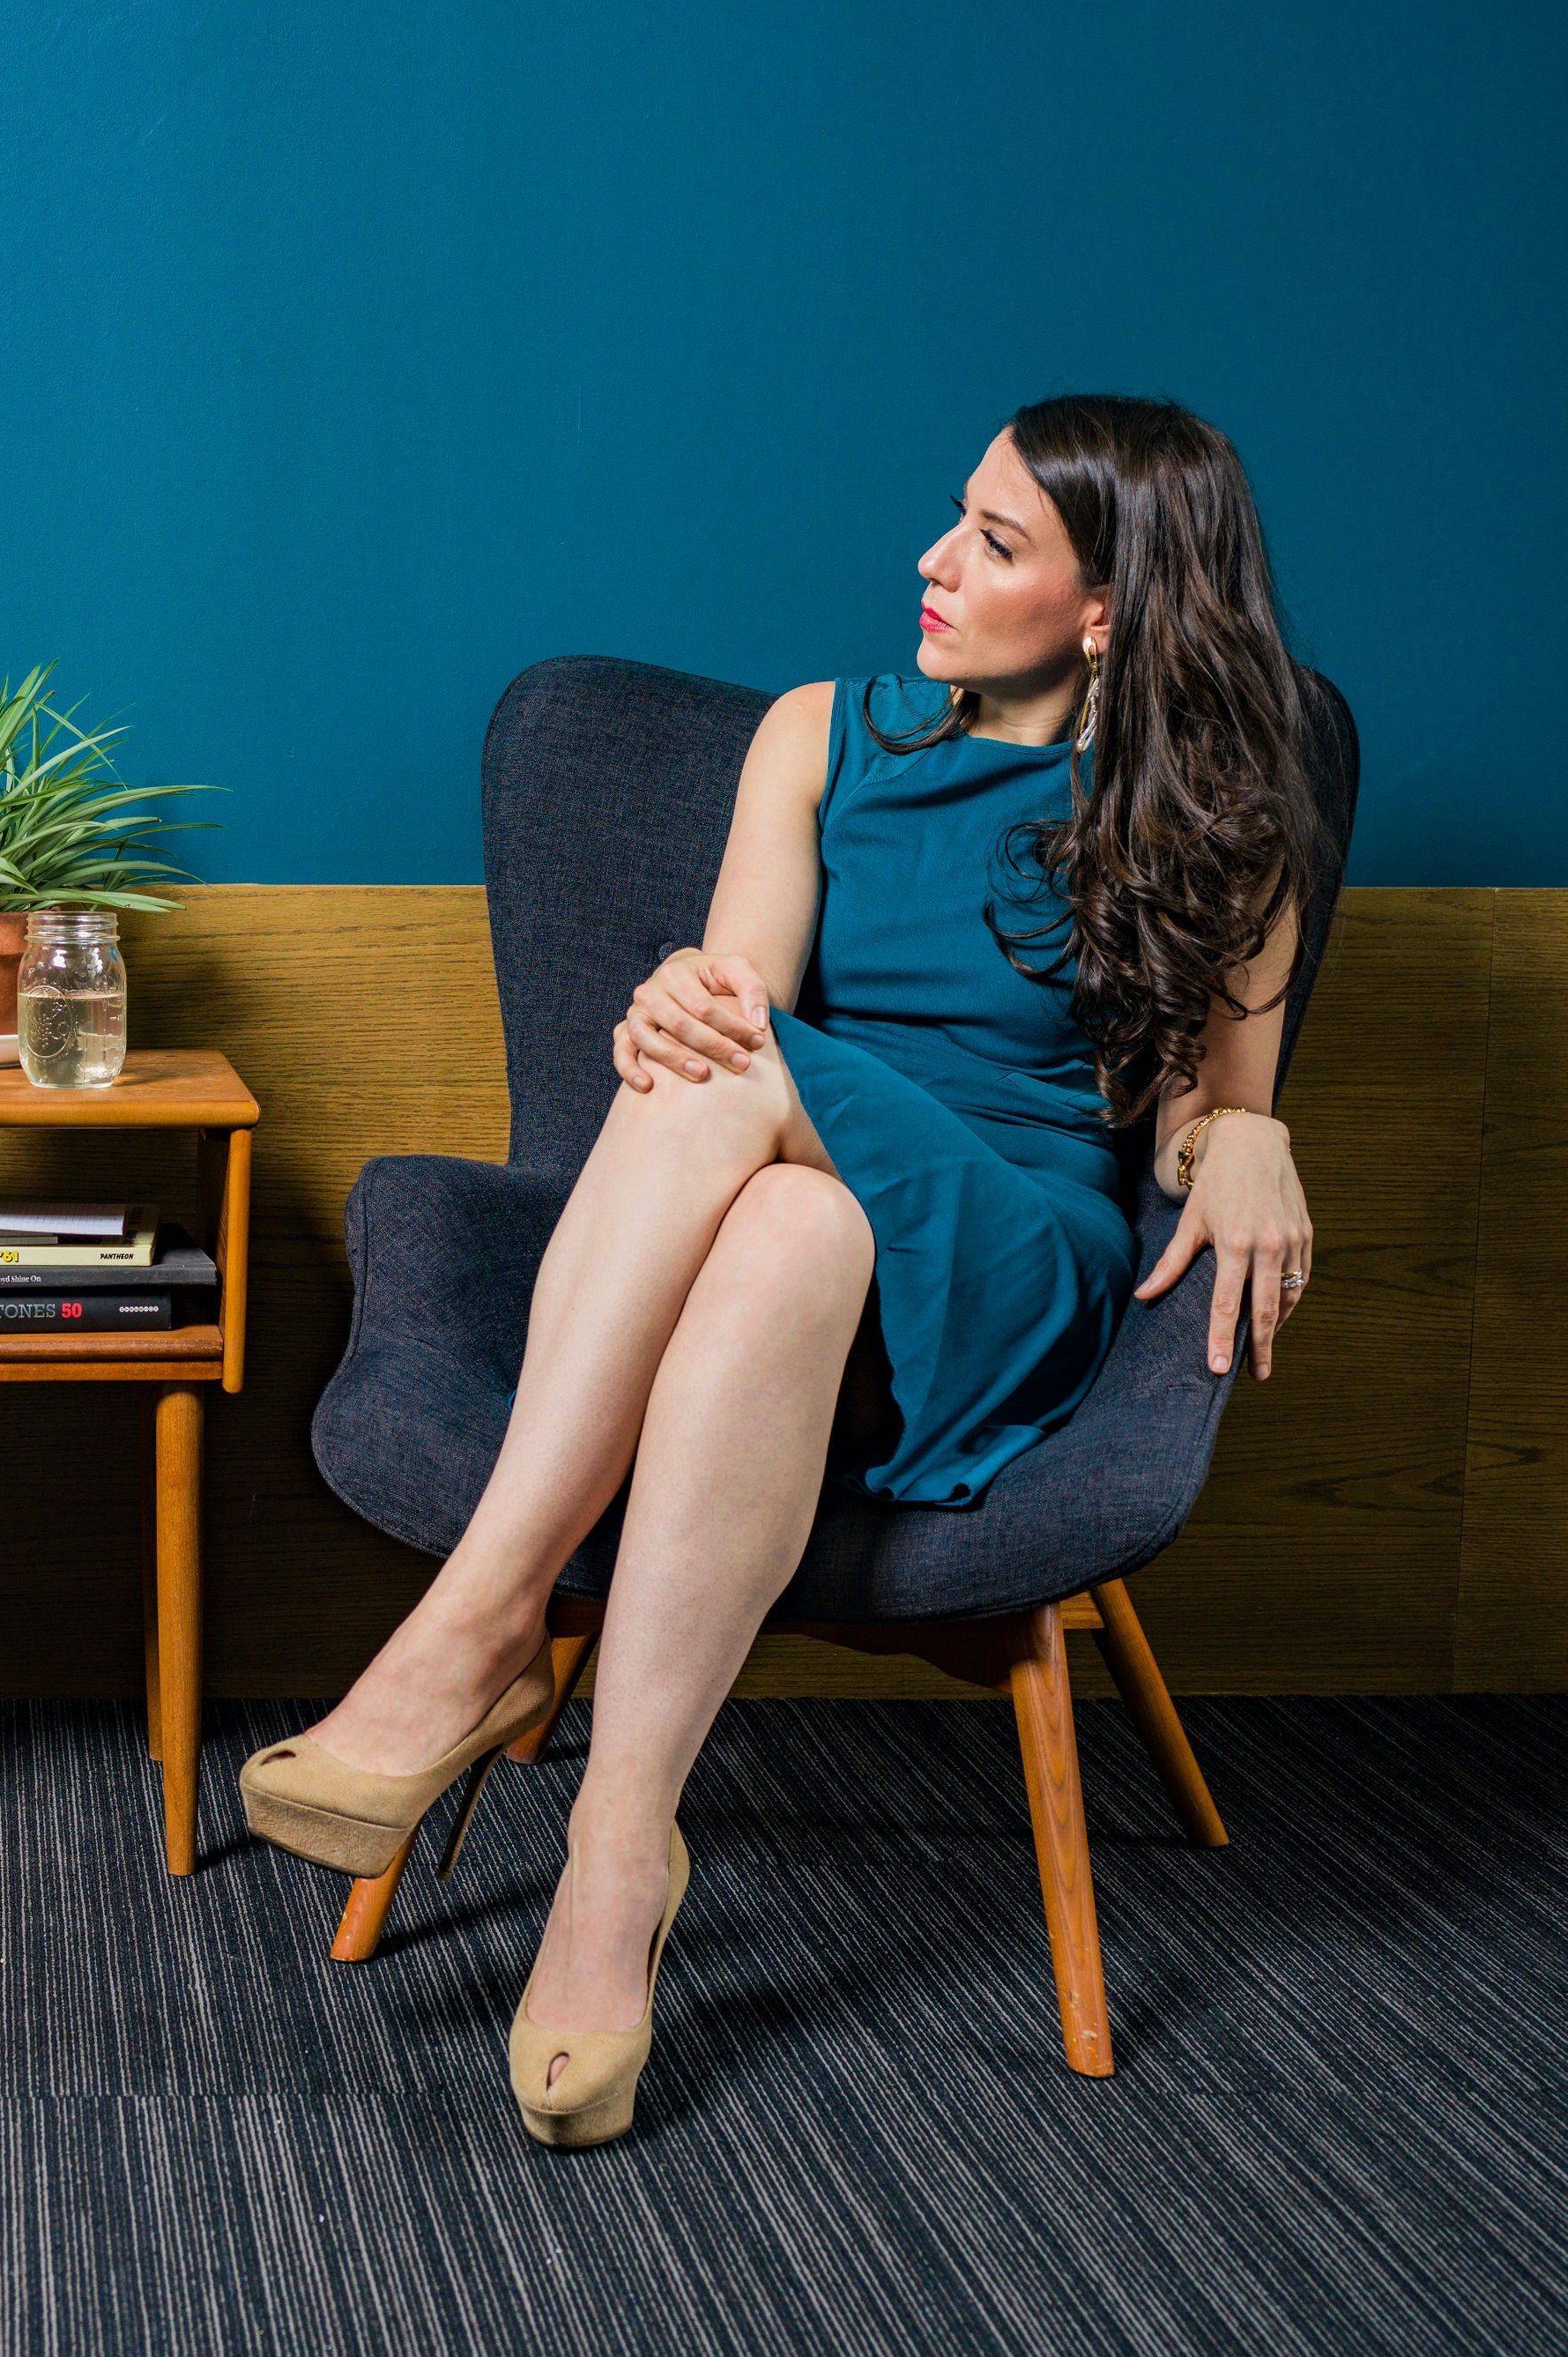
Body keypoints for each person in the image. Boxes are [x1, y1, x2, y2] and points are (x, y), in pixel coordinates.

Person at [242, 395, 1323, 2148]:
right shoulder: (821, 737)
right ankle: (615, 1864)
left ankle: (481, 1616)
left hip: (1016, 1244)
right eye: (951, 517)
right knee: (781, 1188)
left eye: (991, 539)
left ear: (1109, 606)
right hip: (811, 1229)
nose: (932, 558)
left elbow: (1205, 1118)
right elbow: (729, 1000)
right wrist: (677, 996)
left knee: (748, 1079)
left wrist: (1249, 1134)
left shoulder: (1224, 820)